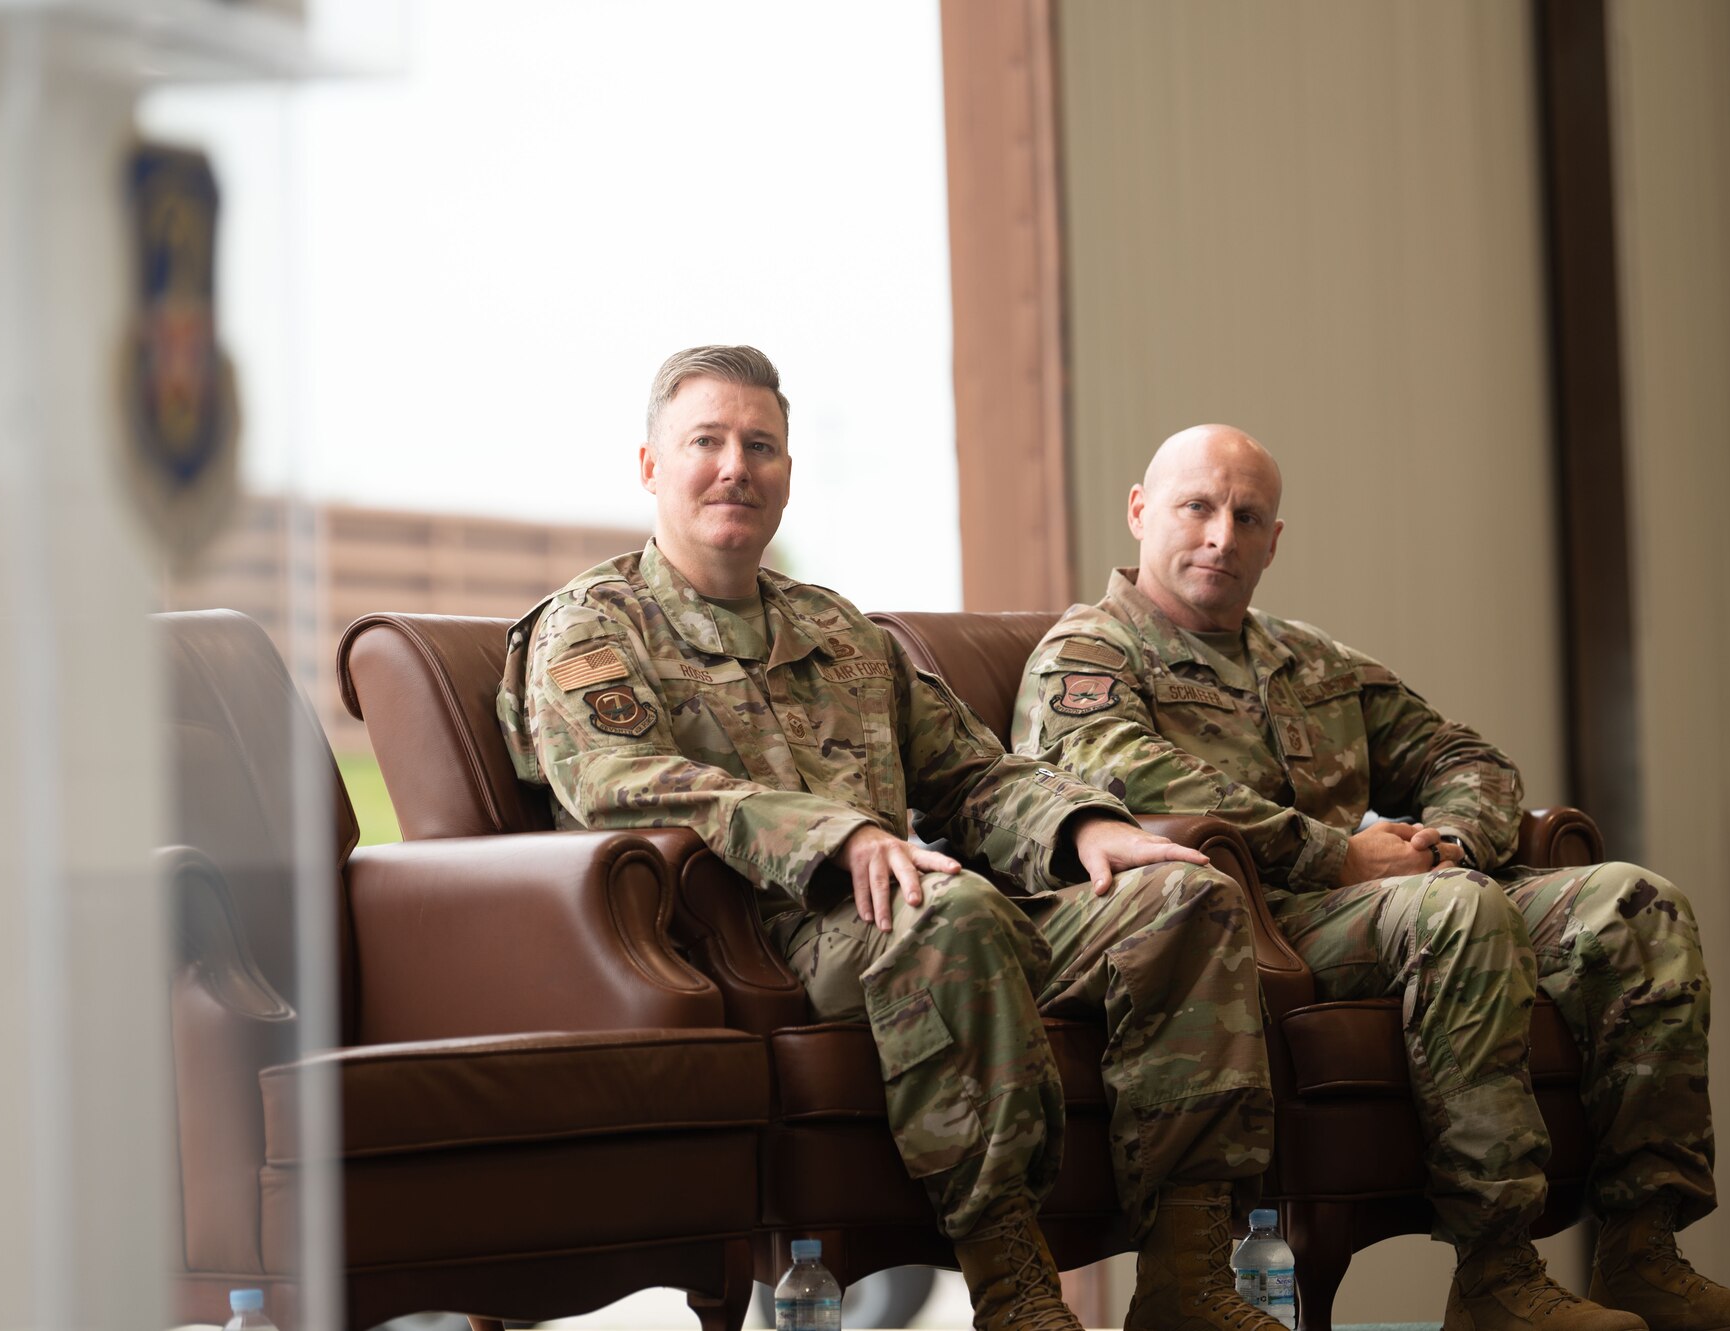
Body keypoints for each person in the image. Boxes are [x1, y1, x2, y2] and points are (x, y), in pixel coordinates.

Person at [498, 349, 1280, 1331]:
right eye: (706, 442)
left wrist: (1083, 826)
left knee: (1185, 897)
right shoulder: (591, 627)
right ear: (651, 465)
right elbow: (622, 784)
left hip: (925, 910)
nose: (736, 466)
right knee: (942, 906)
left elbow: (972, 772)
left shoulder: (839, 632)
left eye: (761, 445)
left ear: (786, 472)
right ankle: (1013, 1286)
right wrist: (838, 835)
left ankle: (1188, 1279)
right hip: (753, 935)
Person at [1014, 424, 1730, 1331]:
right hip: (1241, 919)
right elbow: (1128, 776)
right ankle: (1497, 1269)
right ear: (1141, 511)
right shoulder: (1089, 652)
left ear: (1276, 539)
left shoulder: (1311, 662)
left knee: (1633, 902)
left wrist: (1457, 839)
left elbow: (1464, 754)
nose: (1222, 535)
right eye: (1198, 507)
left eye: (1248, 515)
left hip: (1381, 900)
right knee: (1455, 912)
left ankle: (1643, 1249)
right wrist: (1336, 853)